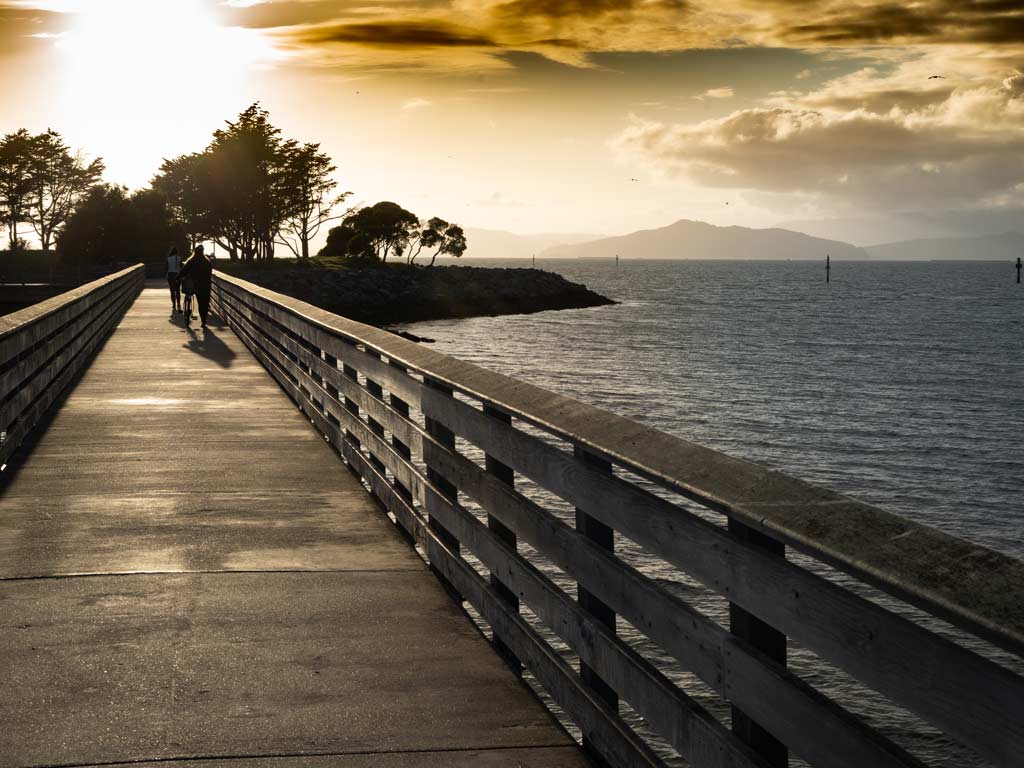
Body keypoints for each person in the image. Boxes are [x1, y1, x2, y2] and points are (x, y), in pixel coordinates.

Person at [177, 244, 213, 328]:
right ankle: (204, 321)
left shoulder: (192, 261)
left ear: (195, 252)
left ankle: (202, 321)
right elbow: (209, 273)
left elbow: (184, 271)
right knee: (205, 303)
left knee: (200, 303)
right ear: (202, 252)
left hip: (197, 285)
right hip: (206, 285)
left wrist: (177, 277)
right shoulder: (207, 261)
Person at [166, 246, 182, 312]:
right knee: (178, 290)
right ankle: (178, 304)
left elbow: (165, 268)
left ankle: (173, 305)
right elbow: (181, 267)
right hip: (177, 275)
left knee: (172, 291)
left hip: (170, 275)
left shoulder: (168, 259)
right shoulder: (179, 258)